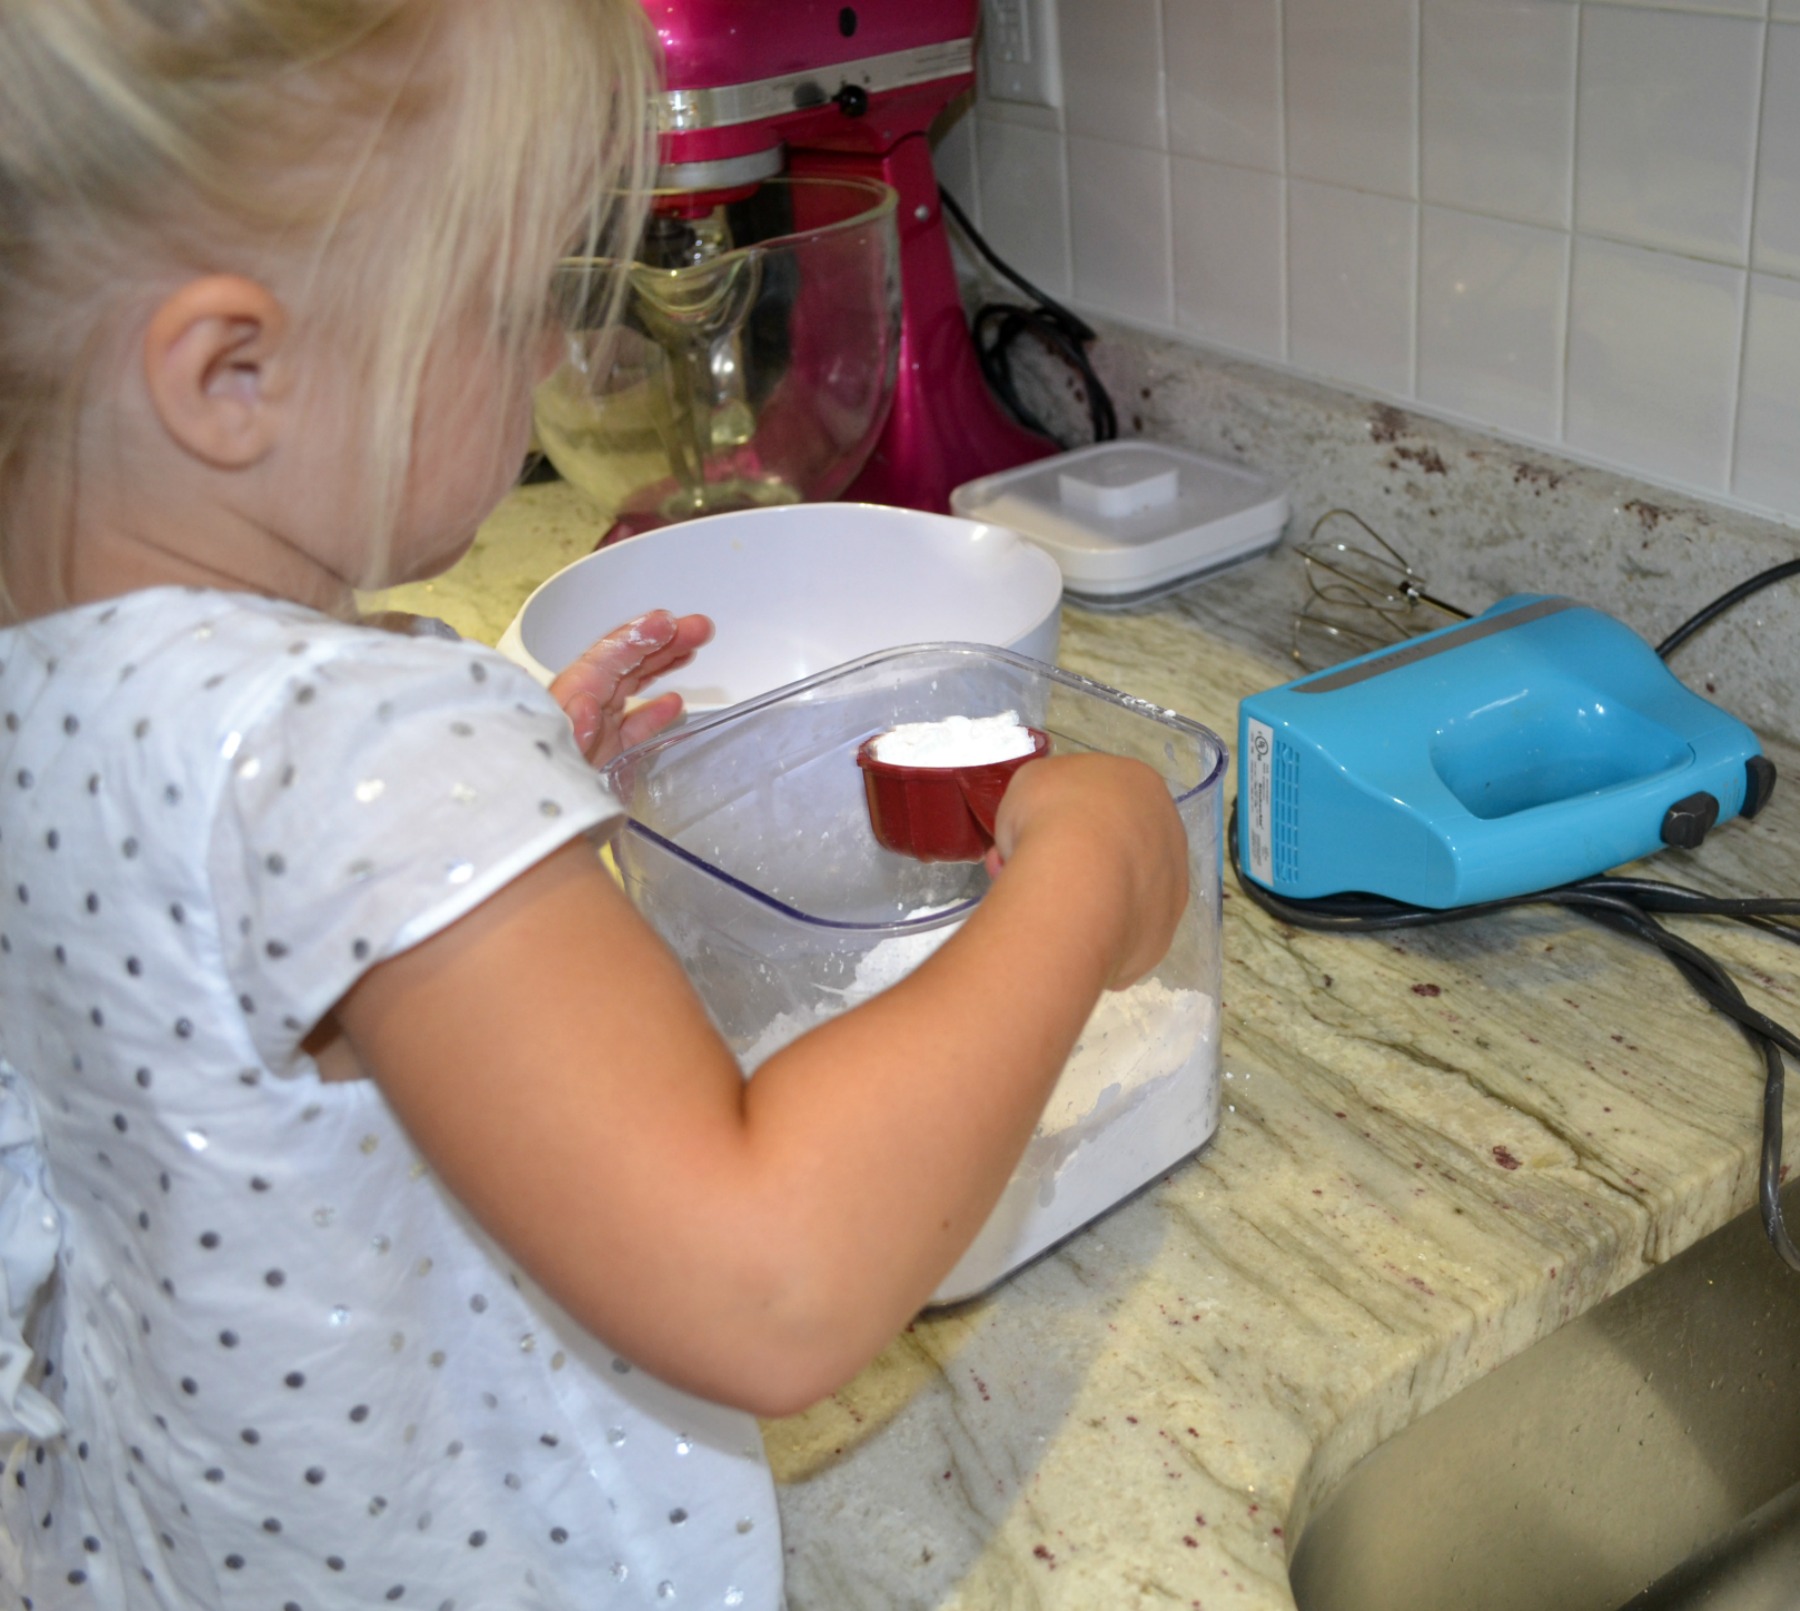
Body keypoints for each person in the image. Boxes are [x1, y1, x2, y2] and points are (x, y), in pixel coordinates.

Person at [0, 1, 1191, 1607]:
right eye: (507, 300)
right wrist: (1078, 888)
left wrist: (480, 820)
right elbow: (771, 1281)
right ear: (235, 374)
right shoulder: (348, 751)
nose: (571, 358)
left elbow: (217, 967)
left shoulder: (59, 681)